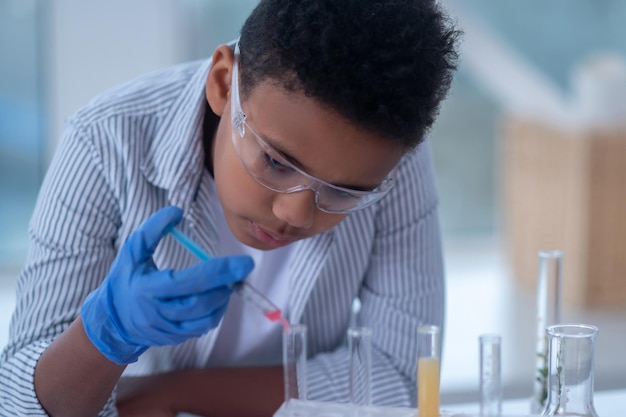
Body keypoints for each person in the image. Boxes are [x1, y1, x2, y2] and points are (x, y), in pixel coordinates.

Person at [0, 1, 460, 416]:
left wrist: (169, 392)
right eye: (277, 163)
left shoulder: (384, 160)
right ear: (223, 83)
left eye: (343, 193)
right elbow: (18, 403)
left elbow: (405, 378)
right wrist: (103, 336)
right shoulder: (105, 142)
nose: (296, 215)